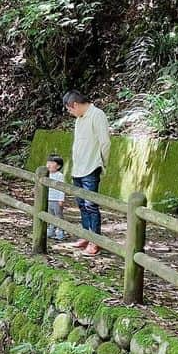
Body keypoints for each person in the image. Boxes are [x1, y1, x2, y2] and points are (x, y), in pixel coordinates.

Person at [62, 90, 111, 256]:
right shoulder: (79, 119)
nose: (70, 113)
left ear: (75, 104)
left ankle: (95, 240)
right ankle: (85, 234)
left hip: (91, 166)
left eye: (70, 109)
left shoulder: (97, 115)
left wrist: (103, 163)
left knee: (91, 205)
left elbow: (105, 142)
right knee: (81, 204)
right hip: (78, 168)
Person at [45, 154, 66, 240]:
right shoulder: (46, 174)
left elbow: (62, 189)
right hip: (48, 198)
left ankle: (60, 232)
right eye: (48, 162)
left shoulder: (59, 176)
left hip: (56, 199)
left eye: (52, 163)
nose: (49, 164)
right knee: (50, 215)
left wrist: (61, 200)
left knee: (58, 215)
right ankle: (51, 230)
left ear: (58, 166)